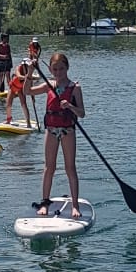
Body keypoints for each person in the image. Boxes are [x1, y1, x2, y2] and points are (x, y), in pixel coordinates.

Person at [36, 52, 85, 218]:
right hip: (51, 130)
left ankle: (75, 205)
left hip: (67, 131)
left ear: (67, 68)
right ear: (50, 69)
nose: (58, 73)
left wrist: (70, 106)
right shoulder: (48, 85)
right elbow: (27, 91)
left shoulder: (75, 88)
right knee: (49, 167)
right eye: (55, 69)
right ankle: (44, 203)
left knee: (70, 168)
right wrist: (29, 72)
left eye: (61, 69)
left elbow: (82, 113)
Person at [6, 57, 37, 129]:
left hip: (20, 89)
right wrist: (26, 77)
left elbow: (31, 86)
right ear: (22, 65)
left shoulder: (29, 74)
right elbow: (19, 76)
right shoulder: (18, 68)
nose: (25, 67)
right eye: (25, 65)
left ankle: (28, 123)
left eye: (27, 66)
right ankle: (8, 119)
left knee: (24, 104)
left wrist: (33, 97)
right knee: (8, 104)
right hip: (13, 87)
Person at [0, 28, 13, 94]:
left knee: (8, 75)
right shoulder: (0, 45)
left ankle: (11, 88)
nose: (7, 39)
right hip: (1, 62)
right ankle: (0, 88)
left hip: (7, 62)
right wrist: (3, 56)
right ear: (3, 38)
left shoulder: (8, 46)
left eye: (7, 38)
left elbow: (9, 55)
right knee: (1, 75)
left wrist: (10, 64)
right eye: (6, 38)